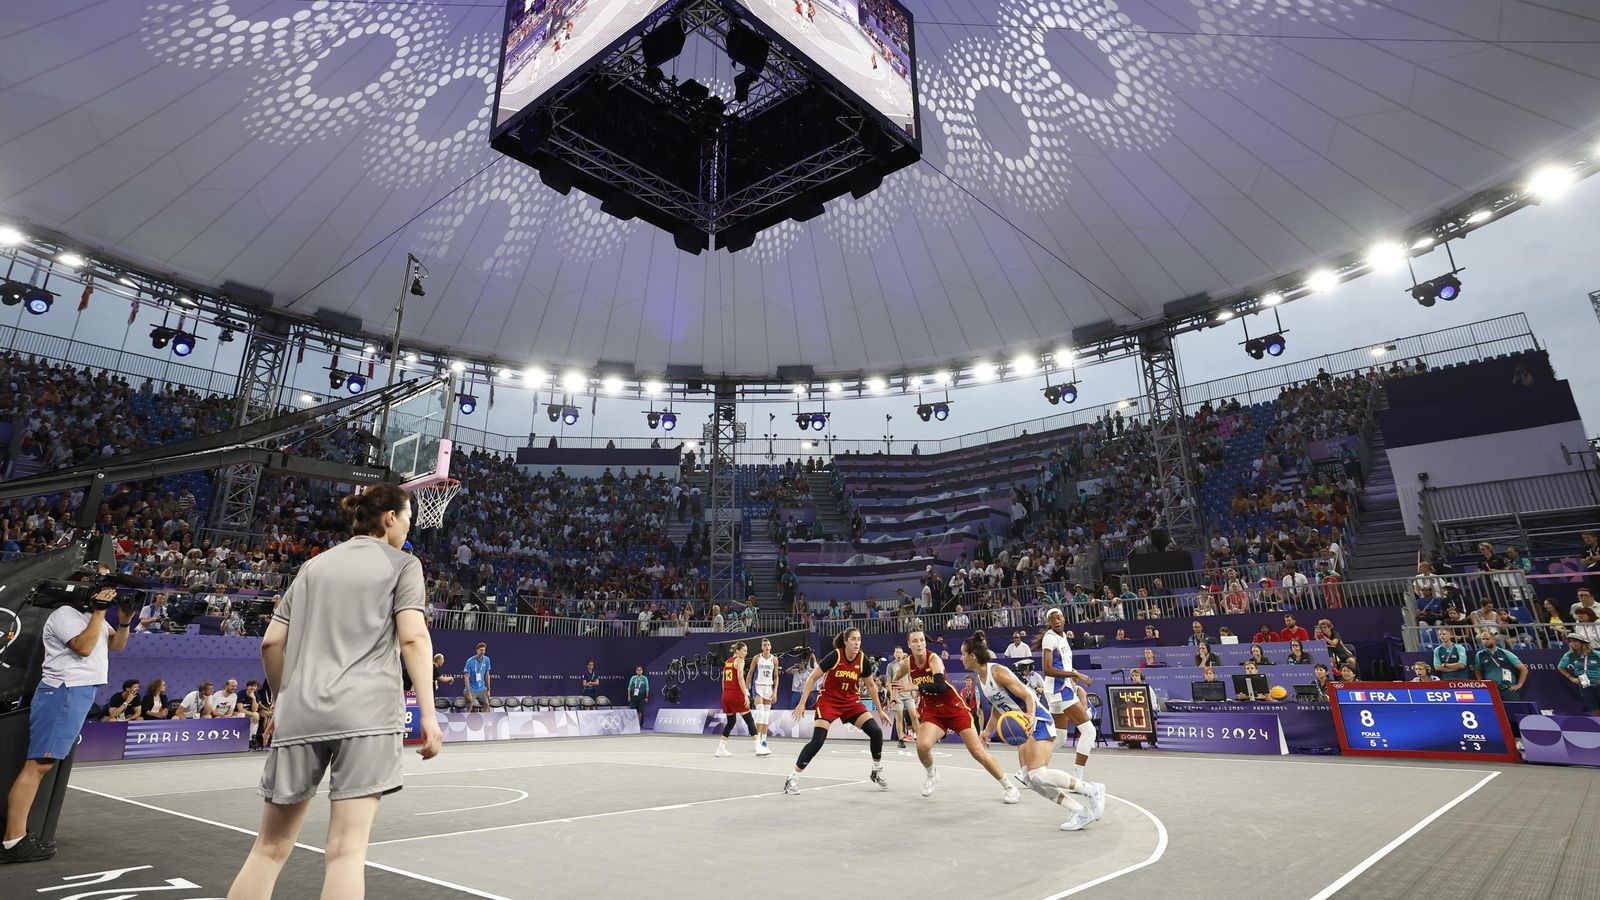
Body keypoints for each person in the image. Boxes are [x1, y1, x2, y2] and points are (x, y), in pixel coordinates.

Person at [225, 482, 441, 900]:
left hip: (300, 711)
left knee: (268, 848)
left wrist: (283, 698)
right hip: (367, 715)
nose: (410, 527)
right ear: (390, 518)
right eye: (409, 518)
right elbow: (414, 639)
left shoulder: (313, 567)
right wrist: (429, 716)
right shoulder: (403, 565)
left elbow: (270, 643)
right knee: (345, 852)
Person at [2, 584, 127, 863]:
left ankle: (14, 838)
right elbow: (83, 647)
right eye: (100, 584)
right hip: (64, 690)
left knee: (41, 766)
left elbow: (116, 645)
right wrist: (99, 611)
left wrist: (126, 619)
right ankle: (13, 841)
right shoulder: (65, 613)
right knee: (38, 765)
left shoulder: (93, 616)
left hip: (78, 691)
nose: (107, 591)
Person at [967, 634, 1103, 831]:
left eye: (963, 654)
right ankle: (1079, 811)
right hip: (1027, 726)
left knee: (1038, 774)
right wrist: (987, 731)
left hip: (1038, 721)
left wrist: (1030, 717)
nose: (960, 657)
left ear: (972, 656)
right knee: (1030, 779)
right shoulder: (981, 678)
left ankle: (1091, 789)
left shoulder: (997, 672)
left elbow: (1028, 695)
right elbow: (998, 706)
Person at [893, 629, 1017, 803]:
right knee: (922, 745)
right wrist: (893, 696)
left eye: (921, 640)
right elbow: (895, 679)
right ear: (909, 645)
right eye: (915, 641)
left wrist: (914, 687)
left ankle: (1009, 787)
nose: (919, 644)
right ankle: (932, 774)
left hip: (954, 708)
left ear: (925, 642)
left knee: (977, 752)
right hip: (933, 711)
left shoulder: (933, 659)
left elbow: (940, 686)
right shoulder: (906, 664)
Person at [784, 628, 890, 795]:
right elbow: (812, 678)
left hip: (850, 702)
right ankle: (792, 779)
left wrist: (881, 710)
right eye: (853, 639)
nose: (857, 643)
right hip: (828, 702)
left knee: (876, 732)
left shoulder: (863, 660)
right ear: (846, 641)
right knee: (818, 741)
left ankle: (876, 771)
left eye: (859, 639)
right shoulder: (835, 656)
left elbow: (870, 686)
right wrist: (802, 703)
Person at [1037, 609, 1098, 786]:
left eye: (1059, 617)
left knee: (1061, 737)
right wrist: (1075, 676)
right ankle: (1077, 778)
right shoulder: (1049, 638)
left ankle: (1029, 768)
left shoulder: (1063, 636)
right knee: (1089, 731)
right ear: (1049, 621)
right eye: (1052, 618)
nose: (1057, 620)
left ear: (1064, 619)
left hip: (1060, 689)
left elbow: (1064, 665)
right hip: (1059, 689)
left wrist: (1077, 674)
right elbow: (1047, 669)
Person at [714, 642, 760, 757]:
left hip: (726, 695)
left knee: (731, 722)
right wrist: (746, 694)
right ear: (738, 651)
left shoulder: (728, 661)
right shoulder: (740, 661)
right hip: (736, 694)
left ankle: (720, 748)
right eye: (744, 650)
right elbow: (740, 678)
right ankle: (758, 747)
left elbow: (723, 680)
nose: (746, 653)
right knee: (749, 720)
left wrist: (725, 693)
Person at [746, 638, 779, 755]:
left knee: (766, 716)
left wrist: (775, 692)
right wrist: (746, 689)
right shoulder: (757, 658)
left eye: (768, 644)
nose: (767, 646)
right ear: (762, 647)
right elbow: (750, 673)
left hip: (768, 688)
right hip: (758, 687)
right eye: (764, 645)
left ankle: (764, 741)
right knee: (760, 713)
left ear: (771, 647)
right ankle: (757, 741)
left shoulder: (774, 659)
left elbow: (776, 677)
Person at [1473, 631, 1527, 701]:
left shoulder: (1505, 653)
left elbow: (1524, 669)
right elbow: (1477, 669)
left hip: (1508, 688)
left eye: (1487, 639)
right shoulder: (1479, 654)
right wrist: (1480, 682)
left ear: (1494, 639)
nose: (1485, 641)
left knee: (1512, 709)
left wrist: (1519, 685)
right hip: (1491, 689)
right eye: (1483, 639)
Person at [1556, 632, 1600, 715]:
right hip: (1585, 685)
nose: (1573, 643)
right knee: (1594, 708)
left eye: (1575, 641)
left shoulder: (1595, 654)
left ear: (1582, 642)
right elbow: (1560, 667)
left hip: (1598, 684)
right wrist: (1571, 678)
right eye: (1571, 641)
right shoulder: (1569, 655)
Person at [463, 642, 492, 712]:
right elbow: (466, 678)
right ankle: (466, 721)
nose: (483, 652)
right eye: (481, 650)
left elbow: (487, 676)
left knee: (487, 706)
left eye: (484, 650)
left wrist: (488, 690)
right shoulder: (470, 661)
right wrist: (468, 692)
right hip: (472, 689)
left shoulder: (487, 660)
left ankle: (485, 721)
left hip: (482, 689)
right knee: (469, 707)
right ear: (477, 650)